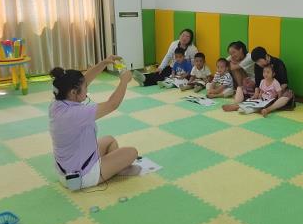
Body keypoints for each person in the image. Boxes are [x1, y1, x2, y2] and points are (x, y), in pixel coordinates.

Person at [49, 59, 138, 190]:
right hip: (82, 176)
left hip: (65, 169)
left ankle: (113, 167)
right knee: (132, 152)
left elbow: (82, 81)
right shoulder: (75, 113)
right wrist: (124, 81)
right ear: (73, 92)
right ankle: (111, 170)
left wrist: (104, 63)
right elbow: (112, 104)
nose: (87, 90)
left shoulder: (57, 103)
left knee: (110, 140)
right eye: (86, 88)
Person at [133, 28, 198, 86]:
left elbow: (194, 64)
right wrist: (161, 67)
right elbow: (168, 56)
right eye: (183, 35)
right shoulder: (174, 44)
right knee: (160, 73)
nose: (184, 38)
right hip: (173, 67)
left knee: (165, 78)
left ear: (190, 39)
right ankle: (144, 78)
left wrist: (188, 73)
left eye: (187, 36)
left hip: (185, 71)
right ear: (179, 36)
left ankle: (145, 81)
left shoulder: (192, 49)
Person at [222, 41, 257, 111]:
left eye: (234, 52)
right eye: (230, 54)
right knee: (227, 68)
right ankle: (238, 90)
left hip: (254, 82)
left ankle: (241, 90)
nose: (232, 56)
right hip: (245, 80)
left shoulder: (249, 57)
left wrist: (232, 62)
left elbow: (233, 67)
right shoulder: (234, 56)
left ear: (241, 50)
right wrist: (232, 61)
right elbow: (223, 63)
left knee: (235, 69)